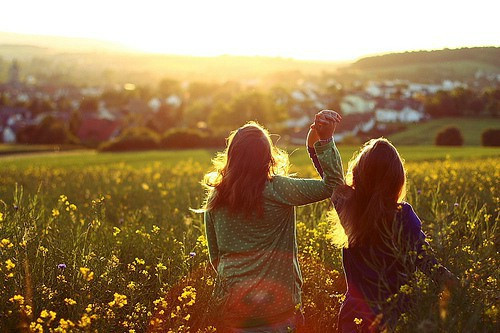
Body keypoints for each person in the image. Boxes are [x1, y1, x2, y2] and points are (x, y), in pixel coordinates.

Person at [200, 111, 343, 332]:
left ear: (232, 155)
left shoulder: (216, 197)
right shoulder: (279, 189)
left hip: (233, 312)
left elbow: (216, 258)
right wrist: (323, 141)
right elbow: (334, 185)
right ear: (268, 157)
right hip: (279, 312)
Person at [306, 136, 457, 332]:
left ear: (358, 176)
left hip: (354, 316)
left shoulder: (349, 210)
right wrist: (453, 283)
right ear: (397, 179)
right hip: (398, 314)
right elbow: (424, 258)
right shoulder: (403, 216)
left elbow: (332, 175)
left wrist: (318, 141)